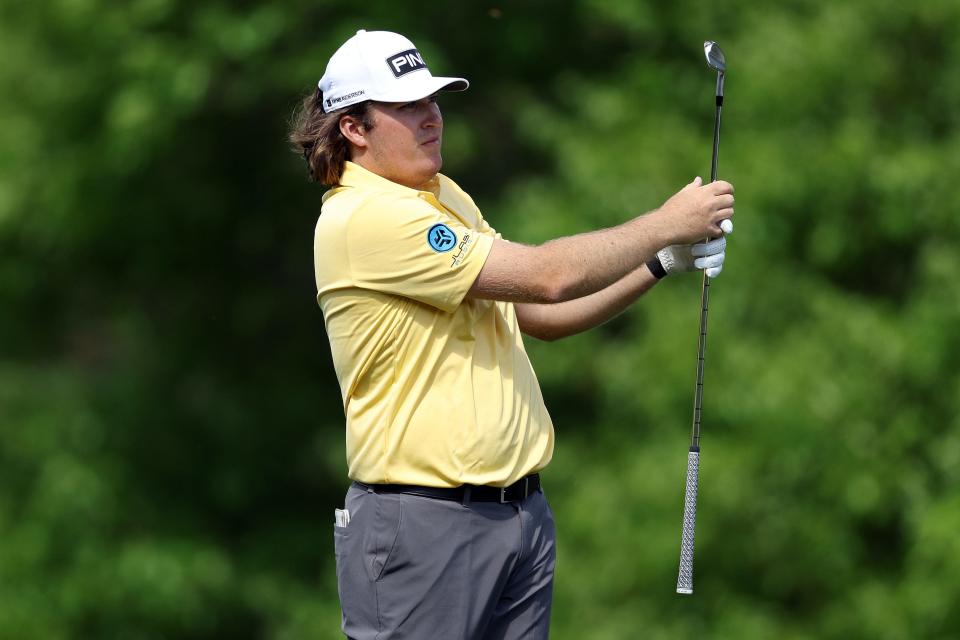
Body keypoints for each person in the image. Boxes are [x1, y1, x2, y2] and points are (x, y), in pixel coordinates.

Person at [289, 29, 734, 640]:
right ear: (354, 128)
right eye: (408, 106)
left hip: (520, 519)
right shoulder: (365, 217)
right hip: (422, 525)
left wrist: (659, 264)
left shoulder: (441, 196)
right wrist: (664, 224)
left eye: (433, 101)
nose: (431, 118)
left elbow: (542, 317)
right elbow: (549, 277)